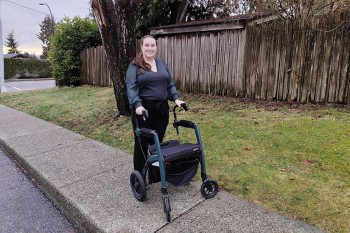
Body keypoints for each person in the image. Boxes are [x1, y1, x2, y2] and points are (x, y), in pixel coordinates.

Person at [126, 35, 185, 176]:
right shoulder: (134, 66)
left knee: (157, 142)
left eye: (153, 45)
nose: (150, 48)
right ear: (141, 47)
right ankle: (139, 175)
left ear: (156, 47)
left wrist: (176, 99)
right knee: (142, 143)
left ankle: (154, 172)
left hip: (162, 110)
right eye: (147, 45)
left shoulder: (162, 64)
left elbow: (169, 84)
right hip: (143, 111)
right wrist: (137, 105)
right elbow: (131, 88)